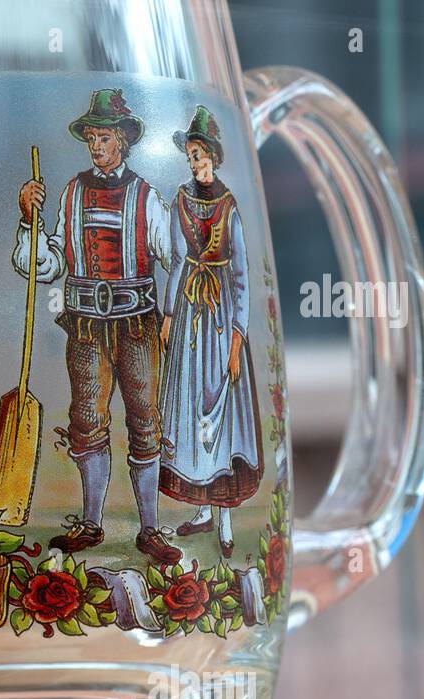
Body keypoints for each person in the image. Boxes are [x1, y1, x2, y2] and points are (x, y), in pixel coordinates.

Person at [13, 89, 180, 566]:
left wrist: (171, 313)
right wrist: (28, 220)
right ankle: (91, 523)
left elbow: (174, 258)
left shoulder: (147, 196)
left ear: (124, 141)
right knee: (87, 421)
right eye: (91, 139)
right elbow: (43, 267)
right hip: (85, 326)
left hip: (137, 326)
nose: (97, 147)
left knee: (145, 419)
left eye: (104, 138)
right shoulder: (71, 192)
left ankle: (149, 528)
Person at [159, 106, 263, 558]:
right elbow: (178, 260)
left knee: (218, 412)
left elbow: (240, 274)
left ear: (215, 158)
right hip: (189, 317)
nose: (195, 163)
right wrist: (167, 315)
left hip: (220, 320)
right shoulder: (181, 199)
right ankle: (202, 510)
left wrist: (237, 339)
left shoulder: (229, 206)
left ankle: (223, 518)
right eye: (191, 156)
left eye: (201, 155)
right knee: (187, 412)